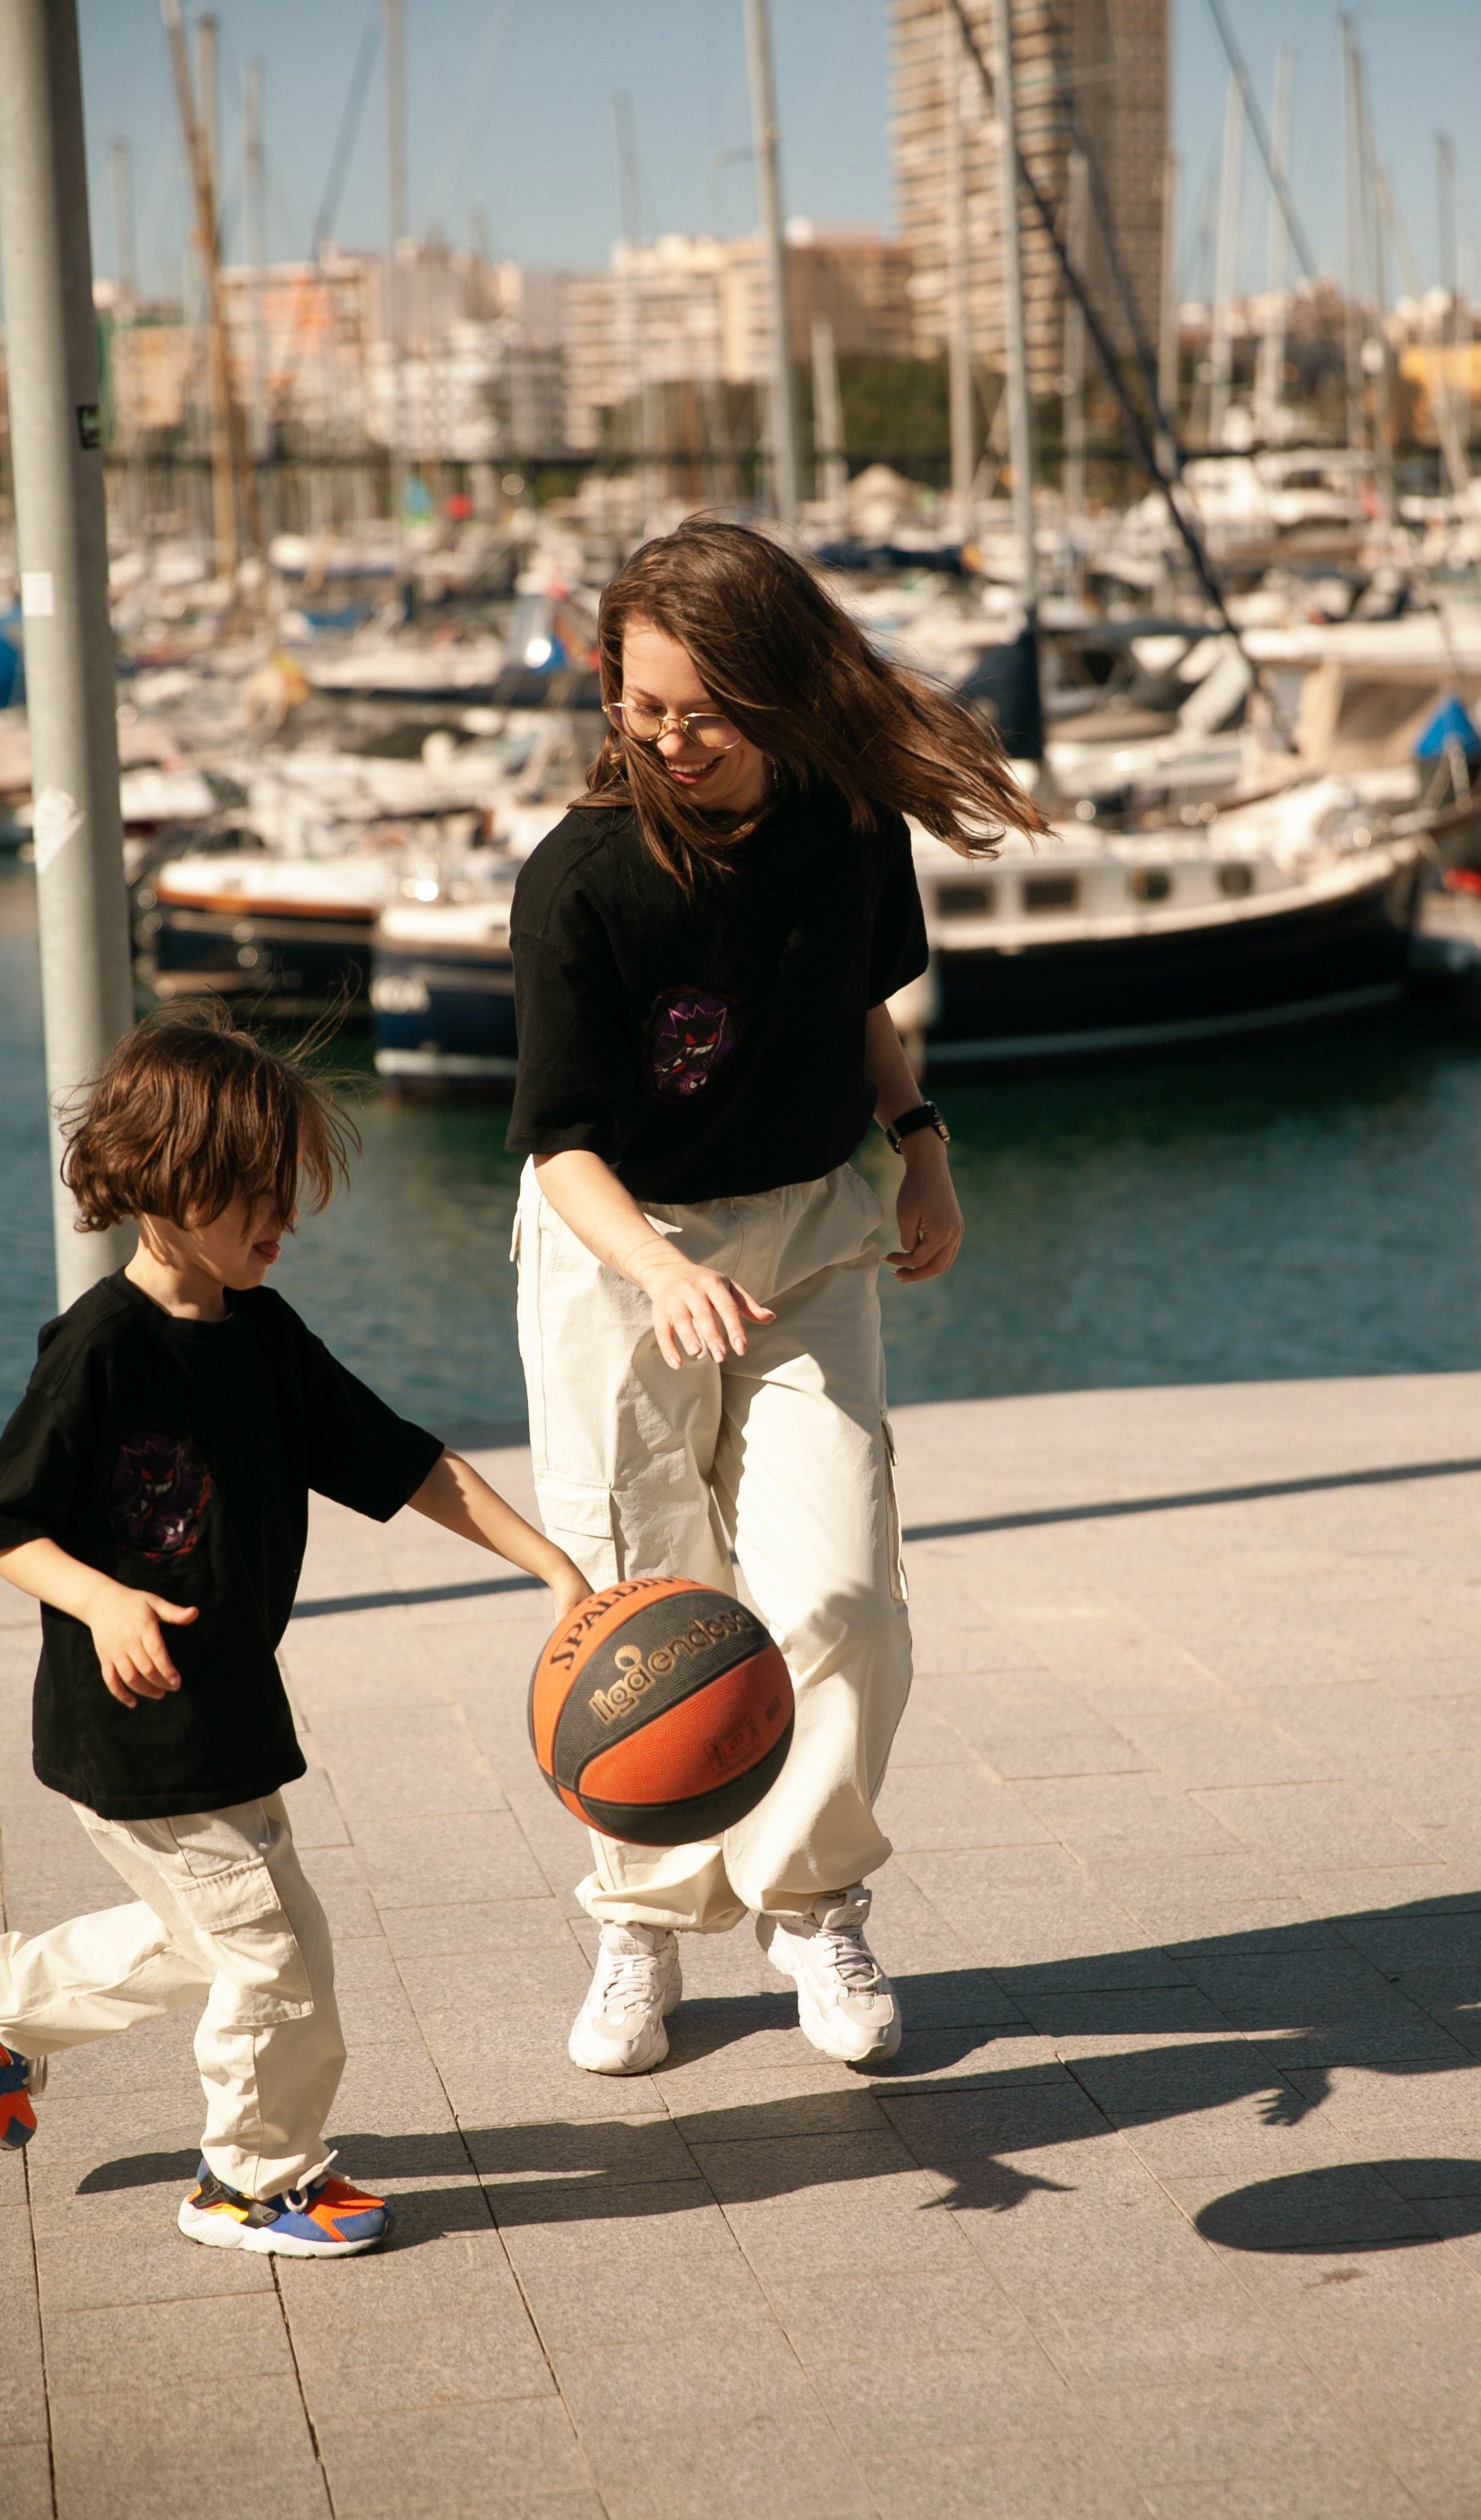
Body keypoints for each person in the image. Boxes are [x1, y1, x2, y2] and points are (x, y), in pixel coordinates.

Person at [508, 518, 1046, 2076]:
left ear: (778, 691)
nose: (670, 738)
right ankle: (644, 1915)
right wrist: (662, 1269)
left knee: (844, 1594)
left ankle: (812, 1900)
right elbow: (559, 1146)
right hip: (622, 1249)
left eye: (705, 711)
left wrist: (922, 1144)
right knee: (641, 1606)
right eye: (642, 705)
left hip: (810, 1232)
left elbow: (859, 1006)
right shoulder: (580, 880)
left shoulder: (847, 823)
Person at [0, 1011, 589, 2253]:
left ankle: (8, 2012)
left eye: (290, 1189)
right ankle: (250, 2181)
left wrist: (550, 1565)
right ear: (167, 1183)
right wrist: (101, 1598)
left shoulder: (265, 1336)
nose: (286, 1218)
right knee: (276, 1958)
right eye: (256, 1193)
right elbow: (8, 1521)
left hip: (227, 1717)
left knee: (202, 1941)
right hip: (138, 1731)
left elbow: (403, 1459)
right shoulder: (100, 1348)